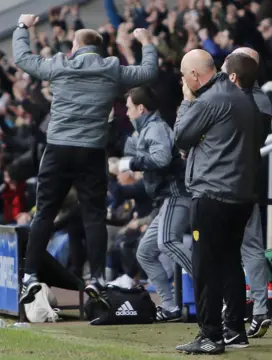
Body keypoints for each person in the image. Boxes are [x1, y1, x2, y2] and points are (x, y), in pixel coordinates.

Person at [12, 14, 159, 305]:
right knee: (93, 216)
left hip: (57, 149)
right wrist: (146, 43)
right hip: (92, 152)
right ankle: (98, 279)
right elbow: (148, 72)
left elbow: (23, 58)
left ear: (76, 46)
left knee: (44, 212)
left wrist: (22, 27)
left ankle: (29, 276)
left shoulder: (60, 64)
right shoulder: (112, 69)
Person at [173, 49, 259, 355]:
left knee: (206, 266)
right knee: (229, 261)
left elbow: (180, 136)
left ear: (195, 75)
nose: (184, 82)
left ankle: (210, 335)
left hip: (212, 194)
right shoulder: (238, 96)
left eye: (184, 77)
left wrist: (186, 101)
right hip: (239, 195)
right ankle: (235, 328)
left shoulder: (210, 100)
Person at [120, 86, 192, 322]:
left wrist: (130, 164)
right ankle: (170, 307)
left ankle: (212, 285)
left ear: (141, 108)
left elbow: (160, 159)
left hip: (176, 195)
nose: (127, 113)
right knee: (145, 252)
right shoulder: (147, 129)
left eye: (129, 108)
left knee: (168, 241)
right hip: (166, 199)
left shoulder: (156, 128)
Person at [226, 47, 272, 339]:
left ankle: (228, 312)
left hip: (226, 181)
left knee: (224, 250)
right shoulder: (263, 100)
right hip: (252, 179)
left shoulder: (230, 100)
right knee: (252, 248)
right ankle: (260, 310)